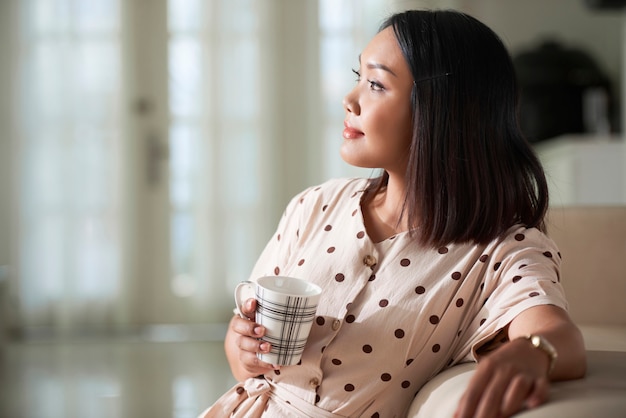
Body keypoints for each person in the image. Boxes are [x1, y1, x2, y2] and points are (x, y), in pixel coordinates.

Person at [199, 9, 586, 418]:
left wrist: (532, 354)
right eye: (357, 77)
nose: (349, 100)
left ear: (440, 111)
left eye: (375, 84)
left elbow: (557, 333)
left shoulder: (501, 249)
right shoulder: (313, 205)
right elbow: (243, 356)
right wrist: (243, 346)